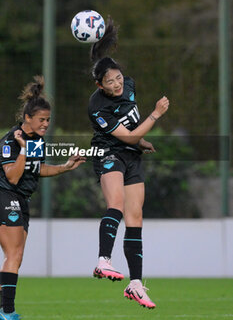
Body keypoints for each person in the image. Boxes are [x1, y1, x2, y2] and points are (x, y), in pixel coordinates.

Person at [88, 18, 169, 309]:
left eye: (118, 77)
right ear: (100, 85)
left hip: (132, 155)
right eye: (109, 82)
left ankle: (135, 284)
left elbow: (133, 132)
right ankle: (103, 261)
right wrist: (156, 115)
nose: (117, 83)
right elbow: (130, 133)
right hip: (109, 153)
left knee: (135, 217)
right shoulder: (97, 107)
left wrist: (141, 142)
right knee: (117, 205)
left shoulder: (129, 84)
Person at [0, 76, 85, 320]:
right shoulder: (11, 140)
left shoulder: (36, 140)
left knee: (15, 258)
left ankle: (2, 308)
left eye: (48, 120)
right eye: (42, 120)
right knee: (13, 256)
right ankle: (7, 312)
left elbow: (37, 169)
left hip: (21, 198)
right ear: (27, 118)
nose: (46, 124)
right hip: (6, 195)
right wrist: (23, 148)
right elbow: (13, 176)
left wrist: (66, 167)